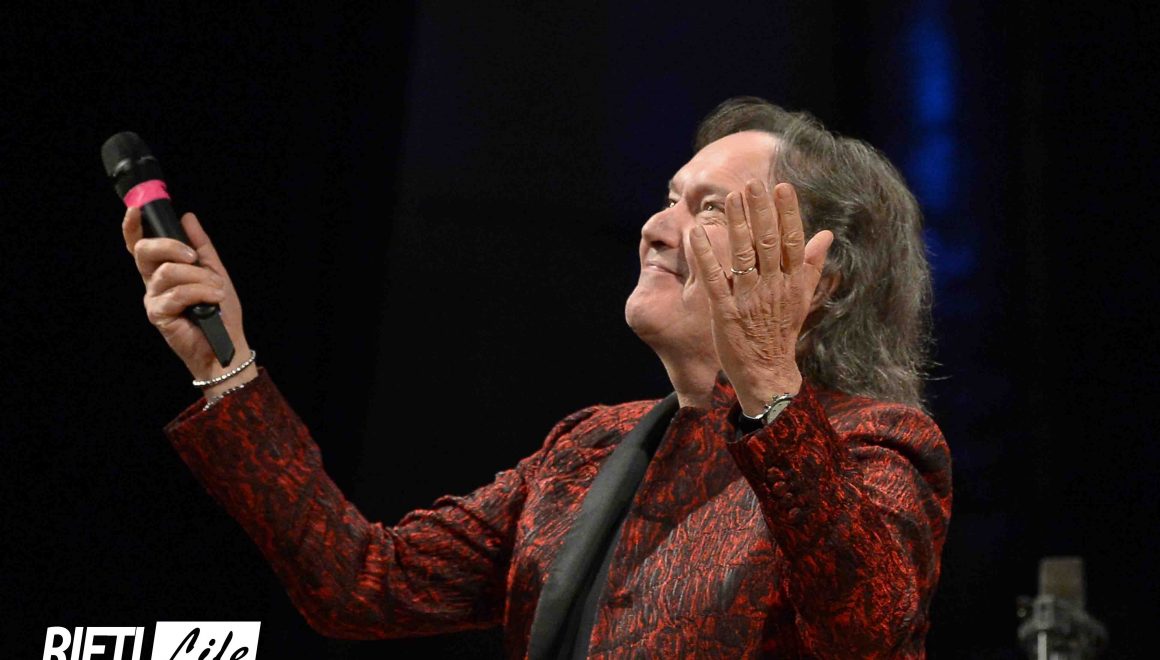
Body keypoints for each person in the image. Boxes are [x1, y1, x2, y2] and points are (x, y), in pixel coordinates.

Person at [122, 97, 951, 658]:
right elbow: (361, 584)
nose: (655, 227)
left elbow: (866, 635)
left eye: (707, 209)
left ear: (819, 279)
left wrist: (769, 380)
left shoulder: (877, 445)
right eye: (669, 197)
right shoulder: (586, 450)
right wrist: (226, 366)